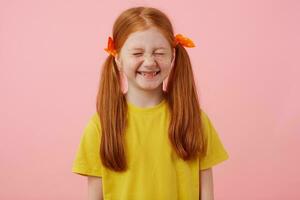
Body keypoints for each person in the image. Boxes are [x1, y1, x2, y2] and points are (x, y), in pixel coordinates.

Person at [71, 6, 229, 200]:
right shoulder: (100, 126)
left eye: (159, 52)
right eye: (137, 53)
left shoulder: (194, 119)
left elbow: (206, 193)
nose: (149, 62)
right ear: (118, 58)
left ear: (172, 55)